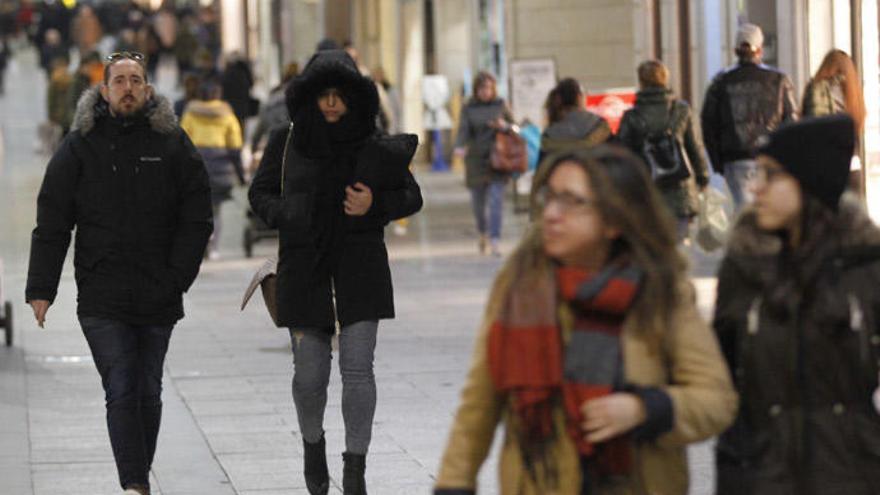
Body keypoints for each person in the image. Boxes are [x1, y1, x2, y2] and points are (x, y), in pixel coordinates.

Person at [434, 146, 737, 495]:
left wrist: (645, 409)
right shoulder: (520, 287)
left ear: (614, 221)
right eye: (549, 197)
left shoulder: (658, 293)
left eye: (571, 202)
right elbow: (479, 405)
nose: (550, 214)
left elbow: (716, 399)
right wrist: (453, 485)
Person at [25, 52, 213, 495]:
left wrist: (178, 276)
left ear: (147, 89)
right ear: (104, 91)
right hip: (102, 291)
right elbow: (53, 219)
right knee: (122, 385)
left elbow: (197, 214)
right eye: (119, 81)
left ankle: (137, 477)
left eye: (136, 81)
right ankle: (134, 485)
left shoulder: (172, 143)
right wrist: (41, 288)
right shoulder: (79, 146)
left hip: (158, 290)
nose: (128, 88)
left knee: (147, 389)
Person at [248, 49, 423, 495]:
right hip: (304, 269)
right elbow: (260, 194)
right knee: (309, 377)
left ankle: (354, 470)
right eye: (323, 94)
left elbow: (410, 196)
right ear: (309, 96)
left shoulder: (372, 142)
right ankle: (313, 445)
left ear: (354, 99)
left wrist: (374, 206)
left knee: (358, 369)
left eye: (339, 95)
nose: (330, 103)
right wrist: (289, 212)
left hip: (360, 267)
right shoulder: (285, 141)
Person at [713, 114, 880, 494]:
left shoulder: (865, 264)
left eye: (771, 175)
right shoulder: (743, 266)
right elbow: (719, 377)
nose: (755, 189)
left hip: (852, 475)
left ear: (809, 182)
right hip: (761, 475)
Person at [700, 23, 797, 210]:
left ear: (736, 50)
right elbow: (791, 121)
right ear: (760, 50)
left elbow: (708, 125)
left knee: (745, 211)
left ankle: (748, 237)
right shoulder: (779, 80)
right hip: (771, 157)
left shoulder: (720, 82)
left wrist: (718, 162)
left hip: (735, 158)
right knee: (770, 212)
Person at [618, 60, 710, 241]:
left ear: (641, 82)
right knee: (677, 249)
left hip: (647, 195)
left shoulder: (632, 117)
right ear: (665, 80)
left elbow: (622, 155)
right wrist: (702, 176)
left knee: (652, 249)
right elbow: (694, 147)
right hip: (681, 191)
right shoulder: (681, 110)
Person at [180, 79, 245, 260]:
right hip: (221, 171)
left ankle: (202, 242)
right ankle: (214, 245)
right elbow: (235, 147)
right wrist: (240, 175)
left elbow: (183, 143)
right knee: (216, 210)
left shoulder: (191, 114)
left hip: (198, 169)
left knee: (198, 207)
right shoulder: (228, 116)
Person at [453, 71, 513, 256]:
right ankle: (483, 232)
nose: (486, 92)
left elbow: (514, 126)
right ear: (476, 89)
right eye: (482, 88)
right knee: (478, 203)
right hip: (476, 160)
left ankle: (495, 239)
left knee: (496, 200)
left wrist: (504, 126)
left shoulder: (501, 104)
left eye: (489, 88)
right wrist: (459, 146)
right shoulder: (469, 107)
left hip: (498, 159)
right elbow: (463, 129)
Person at [802, 49, 866, 191]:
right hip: (851, 162)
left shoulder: (815, 88)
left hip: (822, 162)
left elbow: (806, 123)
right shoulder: (853, 94)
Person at [538, 77, 611, 165]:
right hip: (598, 178)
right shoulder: (600, 125)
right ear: (579, 97)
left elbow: (543, 171)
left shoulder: (549, 135)